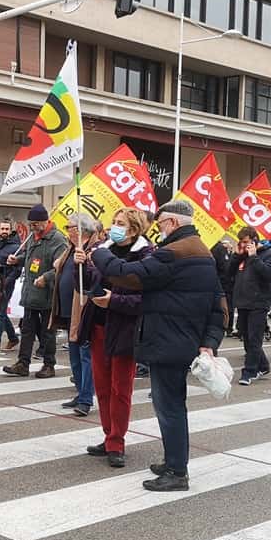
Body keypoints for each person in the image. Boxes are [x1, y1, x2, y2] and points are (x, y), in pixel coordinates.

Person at [93, 200, 225, 491]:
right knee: (172, 404)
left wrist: (99, 252)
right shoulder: (203, 252)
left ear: (174, 223)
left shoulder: (173, 253)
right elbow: (218, 303)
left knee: (169, 407)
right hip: (183, 339)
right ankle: (173, 460)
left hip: (168, 340)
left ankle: (177, 472)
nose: (157, 228)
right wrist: (209, 342)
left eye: (161, 222)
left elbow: (129, 275)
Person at [82, 207, 152, 468]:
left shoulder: (146, 255)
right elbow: (92, 282)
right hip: (99, 326)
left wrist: (114, 301)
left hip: (124, 330)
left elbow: (144, 299)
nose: (113, 226)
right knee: (101, 387)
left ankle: (117, 442)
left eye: (120, 223)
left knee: (120, 389)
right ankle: (108, 435)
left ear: (134, 229)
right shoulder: (104, 249)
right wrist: (84, 266)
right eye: (113, 222)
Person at [3, 204, 66, 378]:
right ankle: (23, 363)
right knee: (27, 330)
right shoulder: (33, 237)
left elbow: (61, 267)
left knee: (48, 331)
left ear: (46, 221)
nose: (33, 227)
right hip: (31, 292)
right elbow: (30, 258)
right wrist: (18, 260)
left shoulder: (57, 240)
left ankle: (49, 364)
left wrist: (46, 278)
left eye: (36, 224)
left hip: (47, 293)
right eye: (31, 224)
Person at [50, 212, 100, 416]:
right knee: (74, 354)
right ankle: (80, 393)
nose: (67, 230)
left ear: (80, 230)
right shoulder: (71, 248)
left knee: (85, 353)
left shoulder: (94, 250)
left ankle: (86, 398)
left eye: (69, 226)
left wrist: (86, 262)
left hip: (84, 309)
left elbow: (97, 275)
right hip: (68, 309)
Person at [229, 226, 271, 385]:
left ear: (254, 241)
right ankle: (263, 365)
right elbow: (228, 272)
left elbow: (269, 274)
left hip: (258, 302)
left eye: (246, 242)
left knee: (254, 338)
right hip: (243, 301)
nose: (243, 245)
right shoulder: (241, 255)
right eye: (241, 242)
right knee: (247, 338)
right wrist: (236, 255)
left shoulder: (270, 254)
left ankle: (249, 372)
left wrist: (254, 257)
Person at [0, 218, 21, 353]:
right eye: (2, 229)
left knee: (1, 311)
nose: (4, 231)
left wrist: (8, 281)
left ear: (11, 230)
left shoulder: (16, 247)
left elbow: (17, 269)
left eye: (7, 229)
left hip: (7, 283)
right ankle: (13, 338)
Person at [211, 236, 235, 335]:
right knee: (226, 306)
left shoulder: (214, 248)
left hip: (220, 281)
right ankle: (227, 327)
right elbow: (225, 266)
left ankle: (226, 326)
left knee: (223, 306)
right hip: (222, 282)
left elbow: (224, 266)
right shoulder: (218, 248)